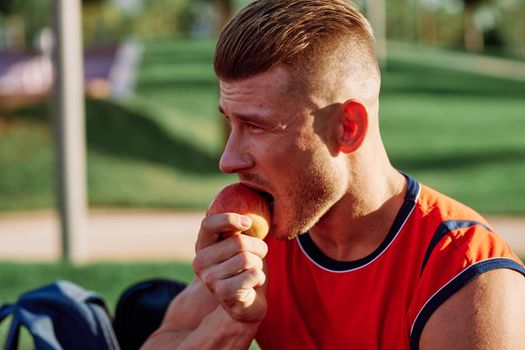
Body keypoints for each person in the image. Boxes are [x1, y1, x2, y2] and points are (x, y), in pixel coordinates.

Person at [142, 0, 525, 348]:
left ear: (348, 128)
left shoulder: (463, 278)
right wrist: (234, 320)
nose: (227, 160)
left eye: (256, 126)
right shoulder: (267, 240)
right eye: (230, 123)